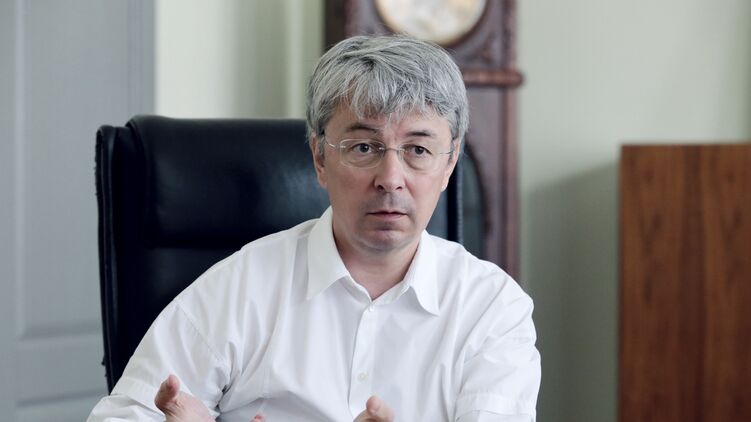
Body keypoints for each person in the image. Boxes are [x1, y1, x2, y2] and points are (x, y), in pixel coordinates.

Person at [88, 34, 540, 422]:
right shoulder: (243, 285)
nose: (390, 178)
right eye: (363, 147)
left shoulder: (492, 310)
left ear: (450, 163)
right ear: (320, 158)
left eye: (418, 150)